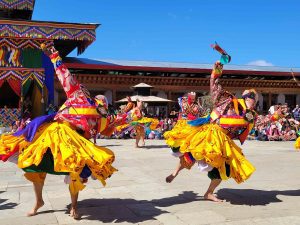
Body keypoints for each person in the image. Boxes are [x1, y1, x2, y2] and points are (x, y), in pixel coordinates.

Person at [0, 43, 117, 219]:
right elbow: (65, 76)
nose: (97, 99)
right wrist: (54, 56)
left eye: (102, 102)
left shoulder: (99, 115)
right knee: (33, 162)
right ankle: (39, 201)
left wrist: (121, 117)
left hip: (75, 141)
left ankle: (74, 207)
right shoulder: (77, 95)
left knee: (75, 169)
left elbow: (107, 129)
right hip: (54, 132)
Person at [164, 60, 257, 202]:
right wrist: (216, 72)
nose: (253, 100)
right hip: (210, 131)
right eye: (251, 97)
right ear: (244, 98)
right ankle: (174, 173)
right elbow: (214, 86)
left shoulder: (250, 115)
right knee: (190, 153)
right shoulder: (228, 100)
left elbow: (259, 122)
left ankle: (209, 193)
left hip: (224, 140)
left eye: (254, 99)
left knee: (224, 168)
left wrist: (275, 116)